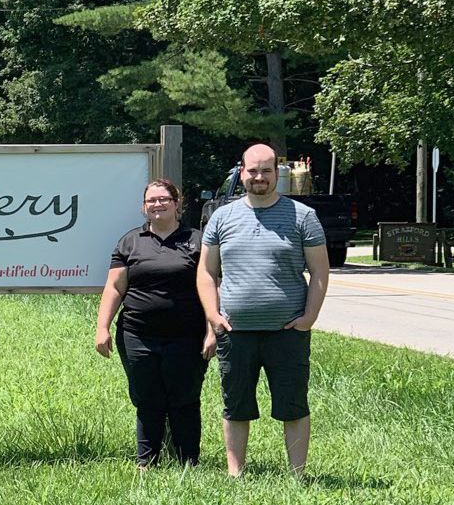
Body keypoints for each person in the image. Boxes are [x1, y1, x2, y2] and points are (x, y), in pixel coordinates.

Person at [197, 142, 329, 476]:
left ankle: (298, 475)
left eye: (266, 171)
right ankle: (235, 474)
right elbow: (206, 272)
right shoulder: (221, 217)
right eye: (253, 170)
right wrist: (213, 316)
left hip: (287, 331)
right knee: (236, 405)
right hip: (234, 331)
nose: (259, 177)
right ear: (242, 173)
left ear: (277, 175)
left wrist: (309, 318)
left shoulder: (304, 216)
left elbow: (319, 272)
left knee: (293, 406)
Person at [95, 178, 213, 468]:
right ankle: (146, 462)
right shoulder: (130, 241)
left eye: (164, 199)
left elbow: (213, 285)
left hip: (188, 335)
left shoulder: (197, 240)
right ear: (144, 206)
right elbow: (114, 288)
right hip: (137, 334)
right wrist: (102, 327)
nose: (157, 204)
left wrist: (212, 330)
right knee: (147, 399)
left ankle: (188, 461)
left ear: (177, 204)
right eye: (151, 200)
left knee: (184, 398)